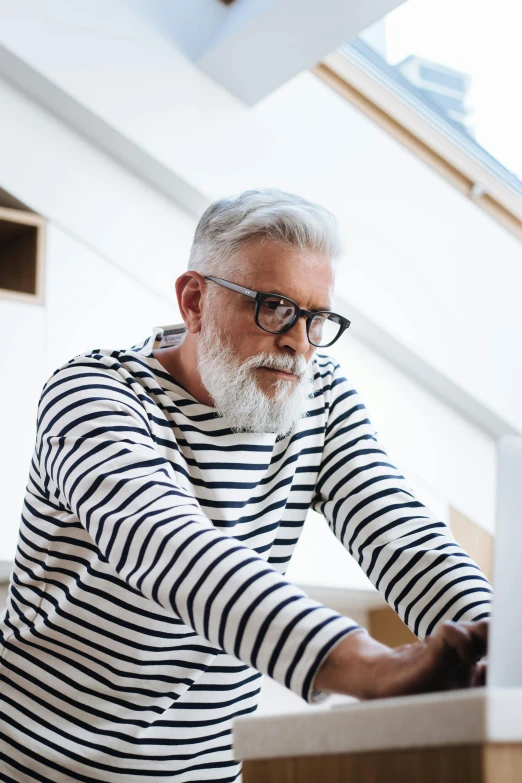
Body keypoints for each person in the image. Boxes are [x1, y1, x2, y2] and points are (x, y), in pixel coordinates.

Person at [0, 189, 490, 782]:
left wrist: (493, 642)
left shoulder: (319, 398)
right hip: (36, 770)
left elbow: (403, 538)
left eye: (316, 319)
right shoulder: (95, 394)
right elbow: (174, 550)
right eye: (276, 308)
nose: (298, 342)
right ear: (195, 300)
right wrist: (371, 667)